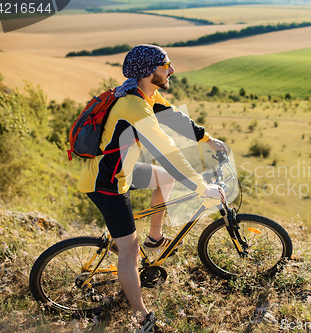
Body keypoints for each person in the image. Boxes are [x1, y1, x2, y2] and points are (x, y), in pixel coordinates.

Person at [77, 44, 227, 332]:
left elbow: (175, 119)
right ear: (149, 71)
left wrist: (208, 139)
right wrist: (201, 185)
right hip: (107, 183)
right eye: (165, 65)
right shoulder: (133, 106)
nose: (171, 70)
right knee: (129, 252)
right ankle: (141, 316)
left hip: (123, 171)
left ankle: (155, 239)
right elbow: (167, 151)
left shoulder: (146, 94)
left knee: (165, 179)